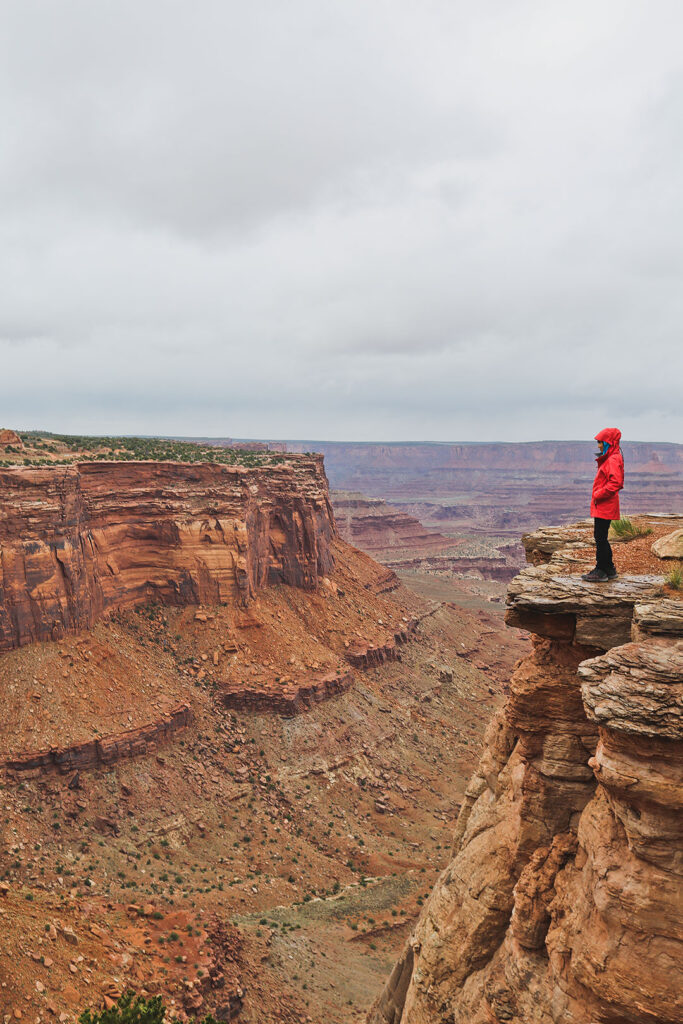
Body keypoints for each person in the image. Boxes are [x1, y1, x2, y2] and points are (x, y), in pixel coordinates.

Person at [582, 427, 624, 582]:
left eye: (601, 442)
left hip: (605, 504)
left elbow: (616, 483)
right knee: (601, 537)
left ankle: (601, 571)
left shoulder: (613, 459)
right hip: (604, 504)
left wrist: (598, 494)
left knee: (600, 537)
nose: (599, 445)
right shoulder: (612, 456)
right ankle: (609, 568)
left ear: (608, 442)